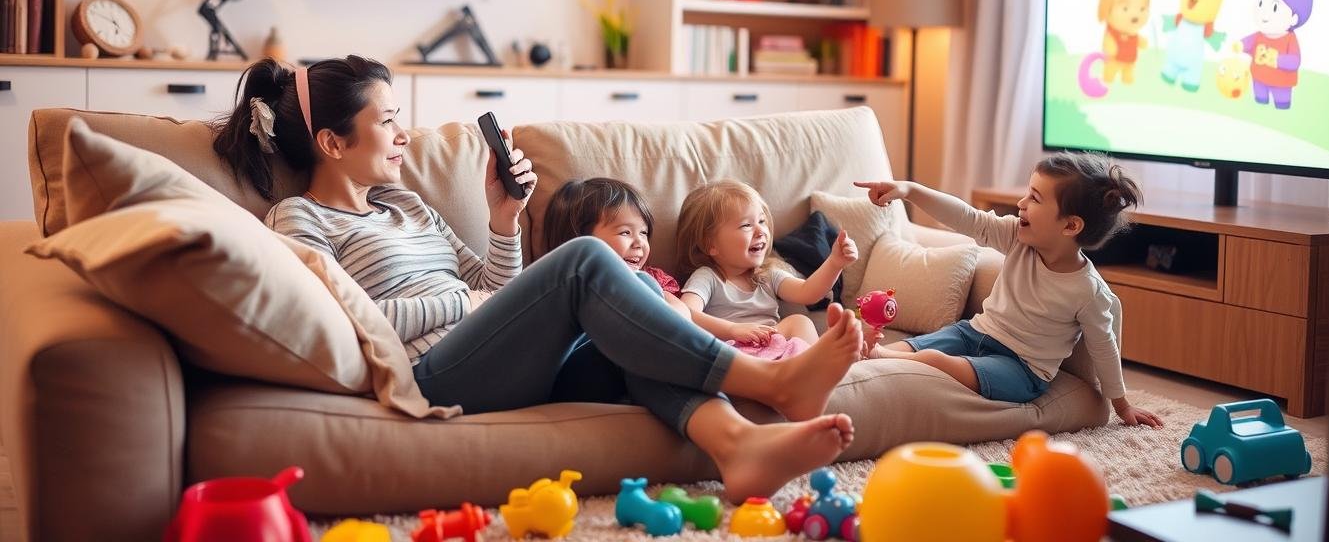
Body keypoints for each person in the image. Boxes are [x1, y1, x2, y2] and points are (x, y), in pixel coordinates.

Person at [213, 56, 865, 501]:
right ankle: (773, 380)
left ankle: (737, 446)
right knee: (587, 258)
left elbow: (491, 286)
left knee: (635, 310)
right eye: (387, 120)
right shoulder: (296, 219)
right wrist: (463, 300)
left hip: (495, 356)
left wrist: (505, 220)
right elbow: (344, 322)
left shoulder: (407, 205)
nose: (403, 133)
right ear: (332, 142)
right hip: (429, 374)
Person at [854, 153, 1164, 427]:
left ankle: (875, 355)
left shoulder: (1088, 290)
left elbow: (1103, 347)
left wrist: (1122, 405)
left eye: (1034, 198)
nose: (1021, 204)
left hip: (1021, 370)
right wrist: (910, 190)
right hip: (973, 334)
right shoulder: (1017, 237)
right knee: (911, 348)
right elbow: (966, 217)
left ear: (1070, 226)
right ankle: (857, 360)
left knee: (938, 362)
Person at [674, 180, 857, 358]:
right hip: (734, 353)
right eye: (746, 225)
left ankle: (817, 367)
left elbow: (808, 292)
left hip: (774, 347)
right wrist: (732, 330)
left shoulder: (767, 274)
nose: (761, 231)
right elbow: (686, 313)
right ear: (710, 244)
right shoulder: (708, 277)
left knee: (799, 322)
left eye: (762, 221)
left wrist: (835, 263)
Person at [541, 177, 687, 315]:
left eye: (643, 233)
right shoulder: (568, 287)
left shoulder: (651, 279)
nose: (639, 243)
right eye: (625, 232)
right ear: (580, 240)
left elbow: (682, 314)